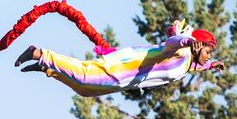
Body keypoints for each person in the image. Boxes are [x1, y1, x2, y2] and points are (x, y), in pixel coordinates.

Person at [13, 20, 225, 97]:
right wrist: (187, 41)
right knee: (85, 75)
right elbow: (171, 42)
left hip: (126, 81)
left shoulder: (188, 64)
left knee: (85, 91)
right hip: (126, 67)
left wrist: (213, 65)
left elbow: (199, 66)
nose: (209, 55)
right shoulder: (183, 51)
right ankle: (39, 53)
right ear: (198, 44)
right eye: (208, 50)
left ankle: (47, 68)